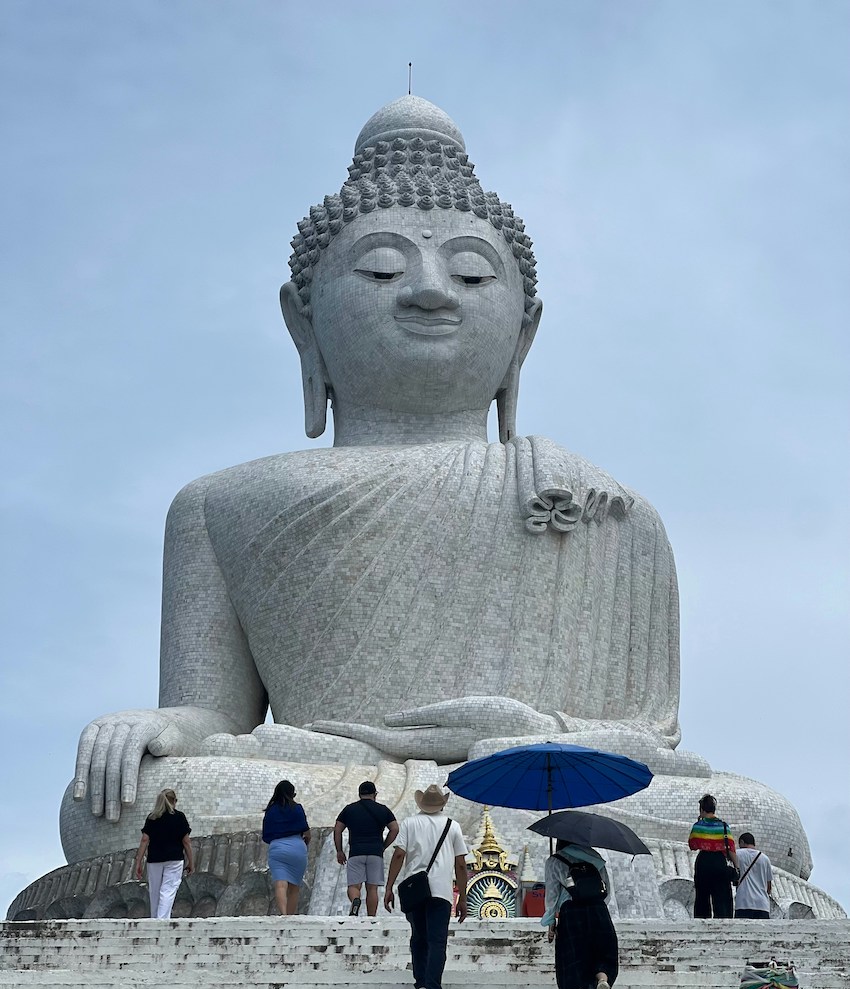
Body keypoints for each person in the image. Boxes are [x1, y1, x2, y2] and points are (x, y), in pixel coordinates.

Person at [65, 96, 815, 914]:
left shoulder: (608, 509)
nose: (429, 291)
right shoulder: (218, 506)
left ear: (523, 334)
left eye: (469, 273)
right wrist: (160, 728)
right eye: (383, 268)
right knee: (113, 801)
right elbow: (214, 712)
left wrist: (522, 735)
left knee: (758, 819)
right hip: (329, 773)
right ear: (301, 323)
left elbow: (645, 743)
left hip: (529, 768)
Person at [384, 785, 468, 989]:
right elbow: (461, 864)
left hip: (415, 889)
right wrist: (463, 897)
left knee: (418, 936)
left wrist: (389, 887)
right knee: (437, 941)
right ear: (443, 803)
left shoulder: (410, 823)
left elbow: (399, 854)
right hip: (441, 890)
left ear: (422, 803)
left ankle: (420, 981)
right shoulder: (452, 826)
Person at [542, 840, 619, 989]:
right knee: (602, 952)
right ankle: (602, 980)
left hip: (571, 911)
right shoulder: (595, 857)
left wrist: (551, 922)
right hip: (598, 911)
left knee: (572, 956)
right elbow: (606, 890)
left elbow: (552, 895)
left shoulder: (555, 861)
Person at [334, 780, 399, 916]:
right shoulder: (383, 810)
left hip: (356, 852)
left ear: (359, 794)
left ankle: (355, 900)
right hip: (375, 853)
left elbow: (338, 829)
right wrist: (383, 846)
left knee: (354, 886)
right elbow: (394, 829)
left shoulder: (349, 809)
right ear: (375, 794)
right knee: (372, 888)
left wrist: (339, 850)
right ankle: (371, 918)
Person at [134, 788, 193, 919]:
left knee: (154, 891)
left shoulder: (152, 818)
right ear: (173, 801)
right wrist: (191, 863)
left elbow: (144, 840)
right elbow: (186, 842)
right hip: (174, 859)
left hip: (154, 859)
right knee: (168, 890)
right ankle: (162, 920)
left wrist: (138, 862)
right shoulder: (179, 817)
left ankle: (155, 918)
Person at [262, 780, 310, 916]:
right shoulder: (297, 808)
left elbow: (266, 835)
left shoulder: (271, 811)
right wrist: (304, 842)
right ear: (292, 794)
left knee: (280, 884)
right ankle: (290, 916)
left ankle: (283, 914)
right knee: (294, 887)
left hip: (278, 848)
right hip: (297, 848)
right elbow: (307, 832)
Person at [688, 794, 737, 919]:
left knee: (702, 896)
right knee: (722, 896)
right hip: (719, 862)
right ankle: (723, 920)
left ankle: (702, 919)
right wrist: (737, 867)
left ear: (702, 810)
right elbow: (731, 849)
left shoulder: (698, 826)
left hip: (703, 862)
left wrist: (700, 823)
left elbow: (692, 845)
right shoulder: (724, 826)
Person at [735, 832, 772, 919]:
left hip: (743, 903)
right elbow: (769, 887)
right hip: (762, 905)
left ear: (742, 842)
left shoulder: (737, 854)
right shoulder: (765, 859)